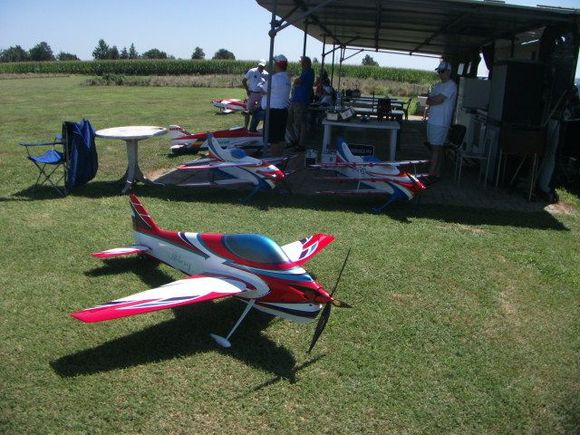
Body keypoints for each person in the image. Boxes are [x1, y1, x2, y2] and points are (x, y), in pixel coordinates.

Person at [424, 60, 457, 183]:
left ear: (448, 71)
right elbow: (428, 100)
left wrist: (433, 100)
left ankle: (431, 175)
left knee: (436, 148)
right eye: (439, 71)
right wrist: (434, 100)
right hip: (433, 121)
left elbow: (438, 100)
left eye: (442, 71)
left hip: (441, 122)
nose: (440, 73)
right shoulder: (438, 85)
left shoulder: (451, 85)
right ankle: (436, 173)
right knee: (435, 148)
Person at [257, 54, 291, 156]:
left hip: (273, 112)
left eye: (275, 63)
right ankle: (280, 156)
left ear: (277, 65)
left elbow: (263, 90)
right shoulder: (287, 78)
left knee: (273, 139)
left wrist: (261, 86)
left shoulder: (274, 78)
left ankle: (274, 160)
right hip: (283, 110)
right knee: (280, 137)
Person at [286, 56, 315, 150]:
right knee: (288, 121)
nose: (300, 64)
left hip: (301, 101)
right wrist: (296, 83)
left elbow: (297, 81)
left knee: (301, 123)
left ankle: (301, 144)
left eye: (301, 62)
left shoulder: (309, 72)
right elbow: (296, 83)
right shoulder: (304, 72)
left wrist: (296, 82)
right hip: (295, 100)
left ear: (306, 63)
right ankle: (295, 140)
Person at [242, 60, 269, 130]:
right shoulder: (252, 71)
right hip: (252, 93)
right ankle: (245, 128)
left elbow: (268, 85)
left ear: (265, 66)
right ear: (258, 65)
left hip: (262, 95)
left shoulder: (267, 74)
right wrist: (247, 90)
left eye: (263, 66)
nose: (261, 67)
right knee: (247, 111)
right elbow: (244, 81)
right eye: (260, 66)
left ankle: (254, 129)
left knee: (259, 111)